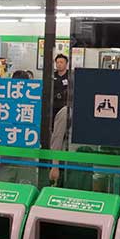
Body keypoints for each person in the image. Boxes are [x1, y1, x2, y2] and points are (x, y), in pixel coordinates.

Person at [50, 54, 70, 183]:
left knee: (63, 139)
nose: (59, 64)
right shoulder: (52, 76)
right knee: (55, 137)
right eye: (57, 62)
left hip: (66, 111)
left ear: (66, 64)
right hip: (53, 110)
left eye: (61, 62)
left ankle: (58, 166)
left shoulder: (71, 76)